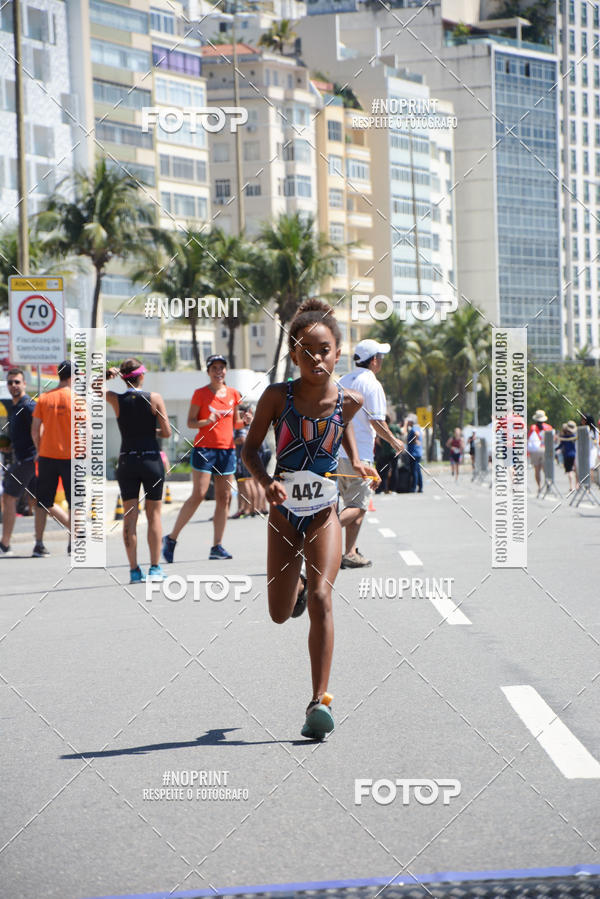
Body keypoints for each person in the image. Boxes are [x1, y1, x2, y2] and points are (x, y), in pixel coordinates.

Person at [242, 299, 378, 740]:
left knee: (323, 597)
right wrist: (265, 481)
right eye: (305, 350)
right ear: (294, 355)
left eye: (323, 350)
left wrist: (357, 463)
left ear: (338, 352)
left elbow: (342, 439)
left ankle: (318, 702)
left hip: (323, 513)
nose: (315, 358)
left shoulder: (350, 400)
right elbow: (249, 450)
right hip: (283, 515)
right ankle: (293, 588)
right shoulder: (277, 396)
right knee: (280, 614)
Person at [162, 354, 251, 562]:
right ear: (208, 372)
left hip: (226, 450)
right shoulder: (200, 394)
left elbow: (235, 423)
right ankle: (172, 538)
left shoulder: (233, 394)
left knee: (224, 498)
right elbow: (191, 422)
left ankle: (217, 546)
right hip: (204, 449)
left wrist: (245, 421)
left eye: (222, 368)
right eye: (214, 368)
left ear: (225, 371)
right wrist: (205, 420)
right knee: (199, 494)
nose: (218, 371)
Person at [336, 339, 404, 568]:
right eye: (380, 357)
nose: (381, 361)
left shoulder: (342, 380)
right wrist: (394, 441)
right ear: (374, 360)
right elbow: (376, 421)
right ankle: (323, 531)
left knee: (352, 504)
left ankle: (349, 552)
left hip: (337, 453)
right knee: (359, 505)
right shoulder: (372, 384)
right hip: (360, 455)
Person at [105, 359, 171, 584]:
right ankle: (155, 568)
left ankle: (134, 570)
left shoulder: (116, 399)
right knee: (154, 515)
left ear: (124, 378)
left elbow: (90, 387)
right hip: (151, 460)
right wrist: (149, 432)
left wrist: (106, 375)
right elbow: (167, 433)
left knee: (129, 516)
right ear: (141, 376)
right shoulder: (154, 398)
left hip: (127, 461)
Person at [31, 361, 72, 557]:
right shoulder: (78, 400)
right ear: (74, 377)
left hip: (47, 456)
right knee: (76, 502)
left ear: (59, 375)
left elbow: (35, 429)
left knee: (42, 502)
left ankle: (38, 543)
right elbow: (87, 431)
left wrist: (40, 448)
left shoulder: (44, 398)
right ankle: (74, 542)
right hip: (71, 458)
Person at [0, 369, 37, 556]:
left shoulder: (28, 405)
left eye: (17, 382)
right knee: (45, 502)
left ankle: (4, 544)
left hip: (28, 460)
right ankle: (79, 534)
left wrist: (38, 454)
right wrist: (9, 446)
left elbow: (41, 428)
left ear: (24, 384)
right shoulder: (15, 407)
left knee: (8, 497)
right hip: (24, 458)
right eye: (10, 382)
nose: (13, 385)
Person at [527, 410, 552, 490]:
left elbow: (529, 439)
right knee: (546, 469)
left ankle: (539, 486)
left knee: (537, 469)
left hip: (536, 450)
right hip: (545, 449)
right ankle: (548, 483)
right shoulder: (548, 427)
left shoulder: (532, 427)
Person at [405, 414, 424, 493]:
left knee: (414, 471)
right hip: (418, 452)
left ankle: (413, 487)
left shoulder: (414, 428)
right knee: (418, 470)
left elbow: (417, 434)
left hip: (414, 452)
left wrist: (415, 440)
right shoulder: (418, 427)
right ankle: (420, 487)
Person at [558, 421, 577, 492]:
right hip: (574, 455)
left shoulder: (564, 437)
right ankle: (577, 484)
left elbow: (560, 446)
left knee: (570, 471)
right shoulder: (574, 437)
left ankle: (571, 486)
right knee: (575, 470)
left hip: (567, 455)